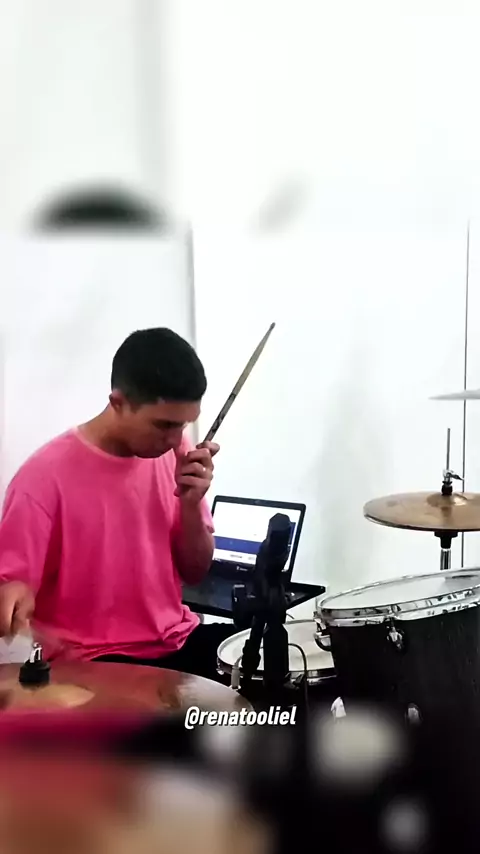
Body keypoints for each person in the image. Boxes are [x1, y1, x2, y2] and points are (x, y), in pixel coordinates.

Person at [0, 328, 236, 682]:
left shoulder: (177, 453)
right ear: (118, 403)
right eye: (164, 425)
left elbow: (195, 572)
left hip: (176, 641)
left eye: (183, 425)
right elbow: (11, 594)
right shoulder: (42, 479)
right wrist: (14, 596)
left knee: (269, 657)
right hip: (95, 662)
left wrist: (191, 505)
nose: (175, 439)